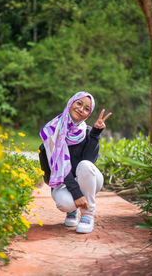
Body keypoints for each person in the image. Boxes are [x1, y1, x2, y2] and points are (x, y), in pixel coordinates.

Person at [39, 92, 112, 233]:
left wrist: (95, 133)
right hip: (62, 183)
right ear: (71, 102)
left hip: (87, 179)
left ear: (88, 114)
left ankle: (87, 215)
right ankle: (71, 211)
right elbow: (57, 167)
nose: (81, 109)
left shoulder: (88, 132)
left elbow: (89, 162)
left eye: (86, 109)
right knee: (64, 203)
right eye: (79, 103)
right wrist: (76, 194)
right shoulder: (52, 131)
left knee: (85, 165)